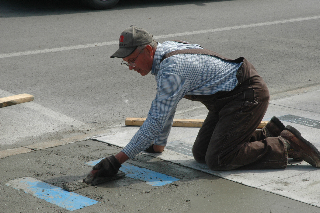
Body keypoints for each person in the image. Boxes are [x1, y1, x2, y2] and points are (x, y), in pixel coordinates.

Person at [85, 26, 320, 183]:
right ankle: (269, 132)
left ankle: (285, 144)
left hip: (247, 96)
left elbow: (156, 120)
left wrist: (115, 162)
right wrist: (158, 145)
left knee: (219, 159)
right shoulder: (163, 53)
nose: (132, 67)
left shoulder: (172, 69)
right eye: (126, 63)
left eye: (133, 60)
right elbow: (166, 107)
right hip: (227, 100)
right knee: (200, 154)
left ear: (148, 49)